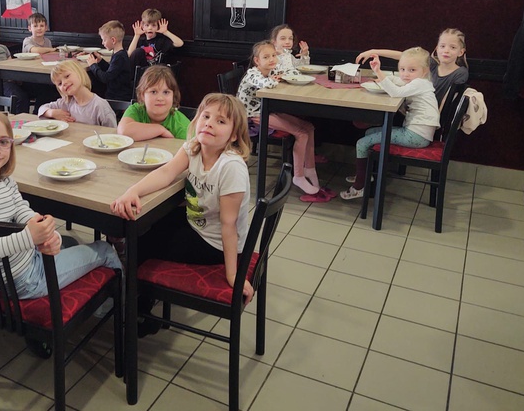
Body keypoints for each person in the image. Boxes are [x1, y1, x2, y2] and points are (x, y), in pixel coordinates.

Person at [111, 93, 253, 336]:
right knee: (144, 226)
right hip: (197, 223)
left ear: (234, 135)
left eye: (220, 121)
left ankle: (138, 311)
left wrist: (233, 275)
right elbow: (166, 173)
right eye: (205, 116)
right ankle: (135, 292)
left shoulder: (231, 167)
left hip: (215, 243)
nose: (209, 124)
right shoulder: (193, 148)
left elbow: (229, 226)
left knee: (143, 243)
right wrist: (133, 191)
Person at [0, 109, 121, 300]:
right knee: (105, 249)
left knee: (68, 242)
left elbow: (20, 209)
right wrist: (28, 237)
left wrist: (46, 232)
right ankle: (122, 307)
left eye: (4, 142)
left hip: (21, 266)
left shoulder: (3, 180)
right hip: (24, 279)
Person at [237, 41, 332, 202]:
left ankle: (309, 168)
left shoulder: (270, 70)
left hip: (267, 109)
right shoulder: (253, 73)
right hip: (252, 117)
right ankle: (298, 176)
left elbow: (288, 73)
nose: (272, 59)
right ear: (257, 61)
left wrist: (280, 72)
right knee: (301, 133)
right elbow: (267, 83)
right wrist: (276, 78)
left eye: (274, 55)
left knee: (309, 127)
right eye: (266, 57)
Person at [340, 47, 440, 200]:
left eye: (412, 70)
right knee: (368, 133)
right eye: (402, 69)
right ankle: (365, 174)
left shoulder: (419, 83)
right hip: (418, 134)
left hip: (416, 136)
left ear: (425, 71)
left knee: (361, 143)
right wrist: (380, 75)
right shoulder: (421, 81)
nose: (405, 74)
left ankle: (360, 187)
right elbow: (397, 81)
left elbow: (395, 92)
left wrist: (379, 73)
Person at [356, 28, 469, 109]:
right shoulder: (433, 64)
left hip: (428, 118)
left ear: (461, 52)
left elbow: (448, 101)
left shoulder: (460, 73)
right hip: (413, 108)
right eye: (442, 46)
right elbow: (404, 56)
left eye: (452, 47)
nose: (446, 50)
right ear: (437, 48)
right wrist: (374, 51)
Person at [118, 65, 190, 141]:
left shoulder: (183, 127)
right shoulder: (136, 110)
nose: (160, 98)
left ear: (173, 95)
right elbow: (123, 131)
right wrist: (160, 129)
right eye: (153, 92)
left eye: (166, 92)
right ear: (142, 95)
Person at [38, 61, 117, 127]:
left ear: (79, 73)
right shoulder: (66, 103)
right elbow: (42, 109)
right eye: (60, 83)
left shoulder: (100, 106)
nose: (64, 83)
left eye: (67, 76)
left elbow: (113, 134)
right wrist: (52, 113)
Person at [86, 20, 131, 101]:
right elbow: (112, 71)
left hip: (117, 97)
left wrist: (93, 65)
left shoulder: (119, 57)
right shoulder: (119, 53)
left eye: (104, 40)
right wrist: (101, 61)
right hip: (116, 94)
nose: (102, 43)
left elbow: (106, 78)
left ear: (113, 40)